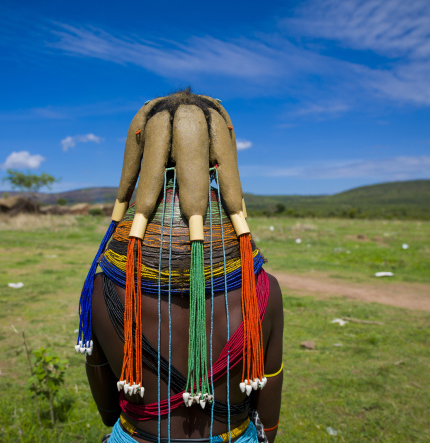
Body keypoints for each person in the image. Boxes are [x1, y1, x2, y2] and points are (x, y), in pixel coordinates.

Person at [77, 90, 284, 443]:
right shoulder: (263, 288)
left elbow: (107, 406)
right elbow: (269, 396)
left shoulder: (101, 288)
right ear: (218, 153)